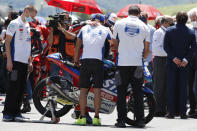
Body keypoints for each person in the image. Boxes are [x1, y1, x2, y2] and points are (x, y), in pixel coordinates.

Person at [112, 6, 150, 128]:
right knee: (138, 92)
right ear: (139, 14)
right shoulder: (145, 26)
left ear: (128, 13)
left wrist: (119, 52)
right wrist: (141, 58)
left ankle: (121, 120)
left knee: (121, 92)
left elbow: (114, 42)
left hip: (122, 63)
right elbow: (147, 48)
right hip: (137, 63)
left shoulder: (119, 23)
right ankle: (140, 121)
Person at [74, 14, 112, 126]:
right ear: (102, 21)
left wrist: (76, 61)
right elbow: (113, 43)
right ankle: (96, 118)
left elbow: (77, 46)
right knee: (97, 91)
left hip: (85, 61)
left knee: (83, 91)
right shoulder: (105, 29)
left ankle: (82, 117)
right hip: (98, 62)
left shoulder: (84, 28)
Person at [2, 5, 35, 122]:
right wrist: (9, 61)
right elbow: (7, 42)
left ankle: (16, 112)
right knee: (13, 88)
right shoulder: (14, 23)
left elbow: (28, 45)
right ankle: (7, 113)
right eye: (32, 15)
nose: (33, 18)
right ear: (26, 11)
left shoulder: (27, 25)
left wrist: (30, 61)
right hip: (15, 61)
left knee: (21, 88)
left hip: (24, 61)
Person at [164, 11, 196, 119]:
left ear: (176, 19)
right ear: (186, 19)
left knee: (171, 87)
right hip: (184, 64)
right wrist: (186, 59)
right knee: (183, 88)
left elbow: (166, 46)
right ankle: (182, 112)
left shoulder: (169, 30)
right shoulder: (191, 32)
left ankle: (171, 112)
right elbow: (193, 48)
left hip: (172, 62)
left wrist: (174, 58)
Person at [152, 16, 174, 117]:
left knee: (165, 85)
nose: (172, 24)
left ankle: (163, 108)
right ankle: (157, 109)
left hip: (167, 59)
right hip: (160, 59)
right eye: (171, 22)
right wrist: (170, 54)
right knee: (159, 85)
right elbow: (156, 49)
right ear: (165, 23)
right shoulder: (159, 32)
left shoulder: (167, 32)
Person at [189, 9, 197, 118]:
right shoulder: (190, 30)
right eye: (192, 19)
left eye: (195, 19)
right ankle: (192, 108)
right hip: (190, 60)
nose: (193, 21)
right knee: (190, 85)